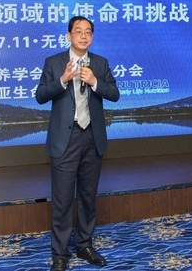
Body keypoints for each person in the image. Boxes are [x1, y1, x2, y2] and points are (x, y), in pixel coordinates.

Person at [36, 16, 120, 271]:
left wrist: (95, 82)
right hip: (65, 139)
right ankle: (60, 254)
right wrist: (62, 80)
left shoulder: (100, 63)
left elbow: (114, 94)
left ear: (92, 37)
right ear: (68, 36)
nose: (84, 36)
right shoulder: (54, 63)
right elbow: (40, 95)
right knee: (62, 200)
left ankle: (84, 245)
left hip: (92, 138)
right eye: (78, 31)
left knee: (87, 197)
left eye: (88, 32)